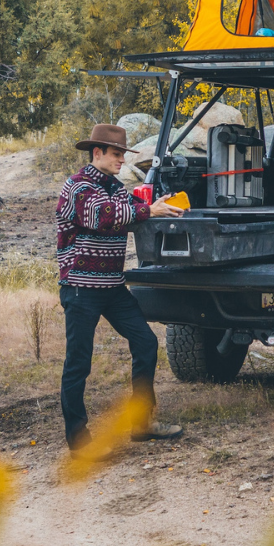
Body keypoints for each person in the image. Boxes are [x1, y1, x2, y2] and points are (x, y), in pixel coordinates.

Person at [56, 123, 185, 453]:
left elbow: (132, 210)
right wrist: (146, 210)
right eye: (116, 155)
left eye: (122, 155)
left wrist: (156, 204)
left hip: (112, 287)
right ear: (97, 153)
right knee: (78, 363)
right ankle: (79, 440)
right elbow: (103, 217)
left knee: (144, 342)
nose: (121, 161)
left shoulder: (114, 188)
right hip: (81, 287)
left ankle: (141, 424)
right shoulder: (79, 187)